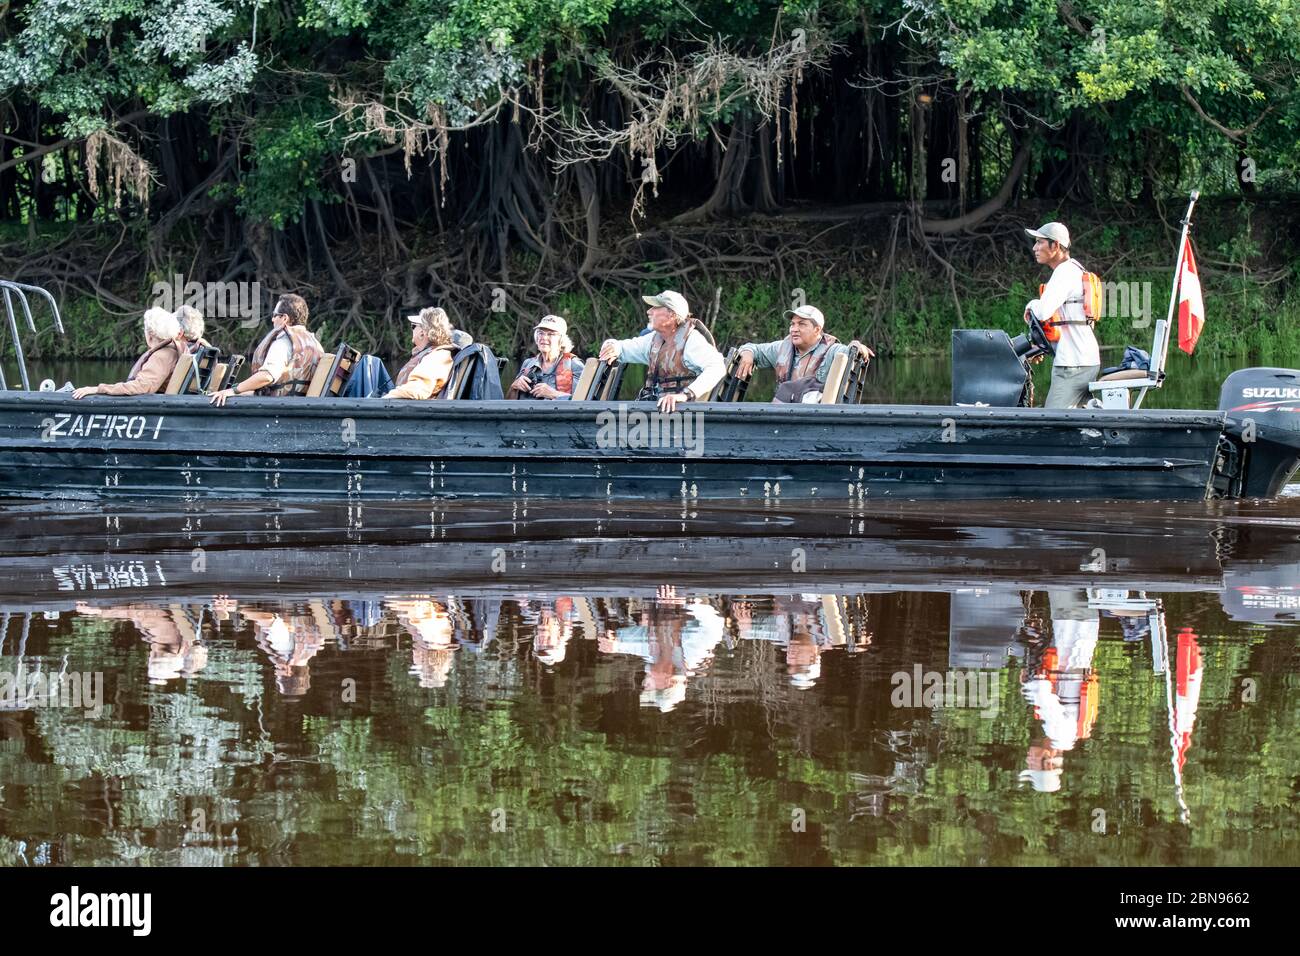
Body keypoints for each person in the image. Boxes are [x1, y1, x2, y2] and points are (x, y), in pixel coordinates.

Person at [597, 290, 725, 413]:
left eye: (655, 307)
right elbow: (623, 347)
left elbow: (717, 367)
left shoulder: (692, 340)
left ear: (671, 315)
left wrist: (685, 395)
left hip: (681, 416)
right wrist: (612, 346)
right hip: (654, 413)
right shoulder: (654, 339)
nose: (649, 311)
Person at [1024, 222, 1100, 408]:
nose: (1034, 248)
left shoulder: (1064, 272)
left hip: (1073, 364)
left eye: (1040, 242)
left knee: (1052, 422)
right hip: (1084, 360)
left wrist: (1031, 304)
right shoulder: (1075, 268)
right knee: (1081, 423)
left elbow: (1042, 312)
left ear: (1055, 246)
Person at [735, 305, 874, 403]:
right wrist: (748, 353)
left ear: (817, 330)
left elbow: (849, 352)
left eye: (802, 324)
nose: (794, 329)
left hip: (814, 418)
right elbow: (754, 348)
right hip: (784, 414)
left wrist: (856, 344)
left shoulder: (831, 349)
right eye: (792, 324)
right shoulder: (782, 347)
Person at [209, 293, 322, 405]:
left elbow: (267, 376)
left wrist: (232, 391)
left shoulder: (283, 343)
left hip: (277, 409)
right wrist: (240, 391)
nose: (272, 319)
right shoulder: (315, 344)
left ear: (284, 318)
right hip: (298, 407)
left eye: (274, 315)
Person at [72, 307, 181, 399]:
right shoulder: (170, 351)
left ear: (150, 334)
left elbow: (141, 387)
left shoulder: (161, 356)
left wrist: (97, 389)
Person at [385, 307, 458, 400]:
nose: (411, 330)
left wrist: (383, 400)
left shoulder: (438, 357)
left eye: (413, 326)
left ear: (422, 333)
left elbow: (417, 389)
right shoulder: (432, 353)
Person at [508, 315, 585, 400]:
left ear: (561, 340)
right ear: (536, 337)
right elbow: (507, 406)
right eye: (541, 333)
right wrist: (513, 388)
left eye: (551, 334)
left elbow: (583, 403)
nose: (544, 337)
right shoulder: (528, 364)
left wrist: (553, 394)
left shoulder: (574, 365)